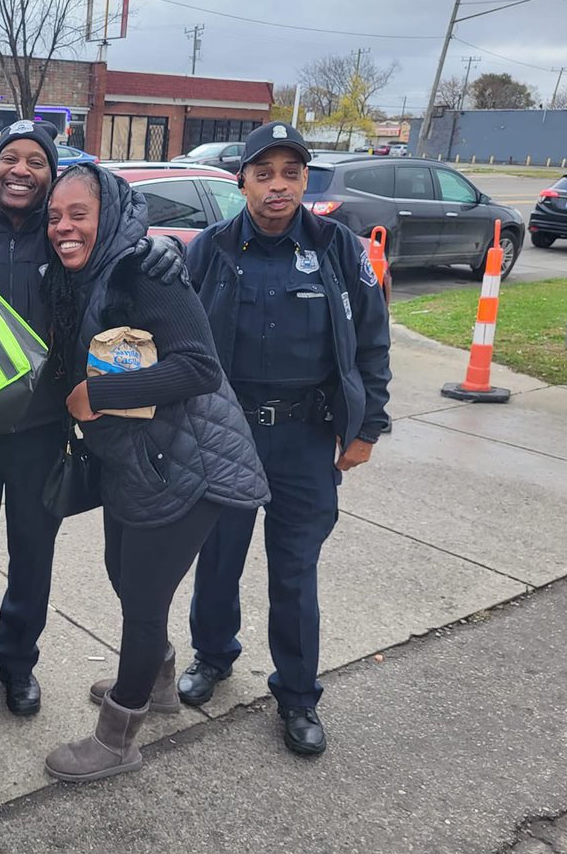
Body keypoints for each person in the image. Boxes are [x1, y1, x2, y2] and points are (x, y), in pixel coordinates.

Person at [0, 121, 190, 719]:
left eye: (36, 161)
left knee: (32, 557)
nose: (20, 169)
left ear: (52, 179)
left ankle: (19, 665)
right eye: (10, 158)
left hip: (41, 433)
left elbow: (120, 256)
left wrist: (162, 246)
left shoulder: (65, 243)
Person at [40, 164, 270, 783]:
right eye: (55, 216)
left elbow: (197, 367)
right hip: (141, 463)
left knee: (142, 600)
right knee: (124, 576)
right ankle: (158, 680)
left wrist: (100, 393)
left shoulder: (145, 270)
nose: (63, 226)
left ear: (108, 214)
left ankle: (119, 735)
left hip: (188, 465)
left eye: (78, 214)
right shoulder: (88, 277)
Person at [178, 121, 391, 757]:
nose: (278, 186)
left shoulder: (338, 248)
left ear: (305, 179)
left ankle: (297, 694)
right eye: (264, 173)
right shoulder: (208, 249)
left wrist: (368, 427)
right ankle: (212, 657)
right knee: (217, 560)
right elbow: (180, 334)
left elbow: (373, 343)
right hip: (227, 432)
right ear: (241, 180)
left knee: (295, 571)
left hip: (305, 436)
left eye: (290, 173)